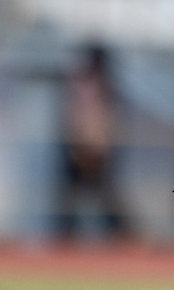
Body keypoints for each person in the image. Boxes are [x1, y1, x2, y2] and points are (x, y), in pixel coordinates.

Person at [55, 44, 133, 242]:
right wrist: (75, 148)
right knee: (70, 200)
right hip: (80, 150)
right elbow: (72, 120)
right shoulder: (82, 85)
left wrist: (100, 150)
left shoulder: (106, 89)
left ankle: (123, 239)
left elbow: (107, 125)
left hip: (97, 153)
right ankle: (65, 239)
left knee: (107, 201)